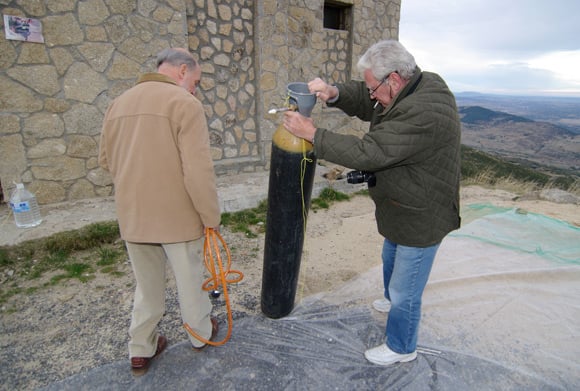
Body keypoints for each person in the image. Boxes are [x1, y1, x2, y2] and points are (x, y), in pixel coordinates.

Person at [282, 40, 461, 366]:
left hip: (423, 213)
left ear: (393, 79)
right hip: (404, 203)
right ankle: (391, 299)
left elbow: (370, 152)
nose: (371, 96)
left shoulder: (423, 112)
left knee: (408, 289)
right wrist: (334, 93)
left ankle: (402, 347)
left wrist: (313, 134)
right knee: (391, 254)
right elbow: (372, 101)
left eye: (373, 87)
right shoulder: (415, 85)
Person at [98, 47, 221, 375]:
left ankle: (140, 349)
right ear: (182, 71)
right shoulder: (185, 104)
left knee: (147, 286)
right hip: (177, 217)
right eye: (195, 81)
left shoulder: (118, 104)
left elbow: (106, 161)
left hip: (133, 216)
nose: (196, 88)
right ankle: (199, 335)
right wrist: (211, 217)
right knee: (191, 281)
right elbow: (198, 171)